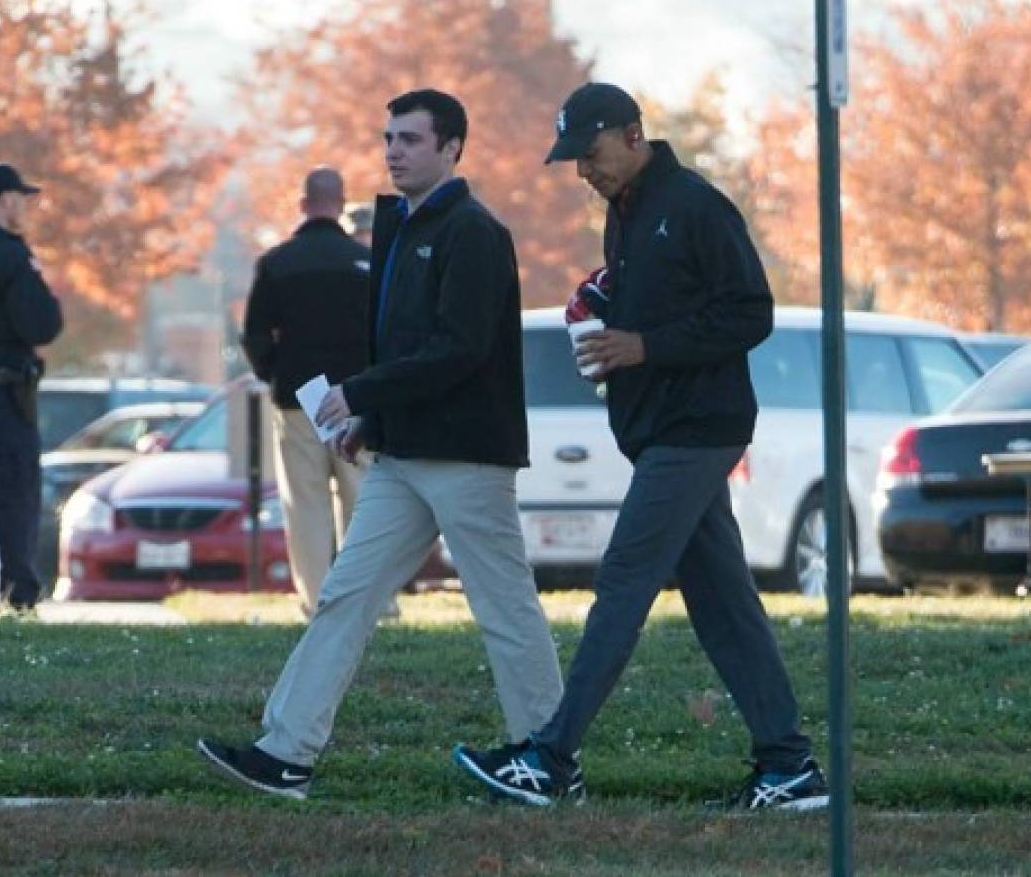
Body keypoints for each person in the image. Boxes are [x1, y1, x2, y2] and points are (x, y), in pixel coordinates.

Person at [453, 83, 829, 811]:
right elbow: (662, 308)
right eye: (571, 161)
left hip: (697, 431)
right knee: (724, 605)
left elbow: (749, 312)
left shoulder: (693, 205)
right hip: (661, 431)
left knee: (622, 582)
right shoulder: (624, 215)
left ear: (631, 136)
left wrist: (643, 346)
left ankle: (549, 758)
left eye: (588, 154)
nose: (581, 172)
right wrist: (602, 310)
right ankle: (788, 768)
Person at [198, 89, 564, 800]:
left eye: (411, 140)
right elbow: (405, 345)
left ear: (452, 147)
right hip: (401, 458)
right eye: (388, 137)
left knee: (503, 609)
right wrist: (373, 422)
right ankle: (285, 753)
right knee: (343, 596)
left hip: (465, 457)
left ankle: (548, 757)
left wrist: (362, 393)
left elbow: (459, 349)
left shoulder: (472, 232)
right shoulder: (401, 229)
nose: (393, 150)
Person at [241, 167, 373, 617]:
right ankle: (363, 597)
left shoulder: (277, 263)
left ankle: (317, 599)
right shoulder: (365, 263)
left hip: (299, 397)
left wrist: (275, 373)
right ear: (341, 203)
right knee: (360, 496)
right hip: (356, 397)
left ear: (302, 204)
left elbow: (255, 332)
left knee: (306, 502)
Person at [0, 163, 63, 611]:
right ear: (5, 200)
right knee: (14, 494)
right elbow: (41, 323)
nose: (23, 206)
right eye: (20, 198)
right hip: (4, 397)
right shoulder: (10, 256)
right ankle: (19, 592)